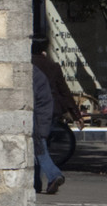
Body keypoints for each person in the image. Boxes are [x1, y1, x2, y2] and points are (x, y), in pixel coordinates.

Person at [31, 39, 75, 195]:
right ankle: (35, 184)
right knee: (36, 149)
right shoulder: (51, 66)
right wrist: (75, 113)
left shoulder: (30, 68)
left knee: (39, 149)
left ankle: (54, 175)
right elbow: (64, 90)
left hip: (36, 116)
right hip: (48, 112)